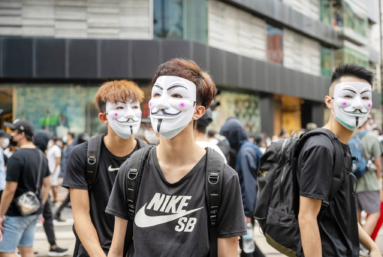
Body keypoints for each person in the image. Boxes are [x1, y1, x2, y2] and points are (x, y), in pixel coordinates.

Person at [107, 58, 246, 257]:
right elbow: (116, 250)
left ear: (198, 111)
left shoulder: (223, 178)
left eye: (176, 94)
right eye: (157, 94)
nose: (162, 103)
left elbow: (228, 253)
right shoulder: (131, 170)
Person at [297, 65, 381, 257]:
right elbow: (307, 217)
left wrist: (372, 247)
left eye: (365, 97)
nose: (358, 104)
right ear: (329, 102)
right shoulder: (321, 147)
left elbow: (345, 214)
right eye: (349, 96)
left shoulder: (339, 146)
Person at [63, 80, 145, 257]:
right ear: (104, 117)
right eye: (120, 108)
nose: (129, 114)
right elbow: (80, 214)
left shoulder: (150, 156)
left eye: (134, 107)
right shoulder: (82, 155)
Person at [0, 120, 51, 256]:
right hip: (33, 210)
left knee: (6, 252)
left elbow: (9, 190)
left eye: (13, 131)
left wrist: (0, 215)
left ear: (21, 134)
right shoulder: (41, 155)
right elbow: (47, 184)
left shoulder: (16, 157)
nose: (10, 135)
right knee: (27, 250)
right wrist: (41, 206)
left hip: (16, 212)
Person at [220, 118, 265, 257]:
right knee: (247, 244)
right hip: (250, 206)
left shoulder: (245, 152)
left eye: (227, 136)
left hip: (248, 209)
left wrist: (246, 212)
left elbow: (249, 183)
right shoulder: (247, 148)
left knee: (247, 246)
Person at [34, 130, 69, 256]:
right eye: (49, 140)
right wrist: (42, 203)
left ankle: (52, 245)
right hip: (38, 195)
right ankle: (25, 248)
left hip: (41, 194)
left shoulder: (41, 153)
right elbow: (46, 182)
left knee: (47, 218)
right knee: (31, 221)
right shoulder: (39, 154)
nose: (51, 142)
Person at [354, 121, 382, 237]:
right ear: (365, 122)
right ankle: (363, 243)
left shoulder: (348, 136)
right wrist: (377, 179)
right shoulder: (371, 137)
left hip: (352, 183)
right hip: (368, 182)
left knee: (356, 216)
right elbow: (378, 163)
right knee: (375, 212)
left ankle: (355, 245)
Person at [54, 132, 77, 221]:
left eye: (66, 135)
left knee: (70, 196)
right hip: (66, 173)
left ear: (70, 136)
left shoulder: (73, 146)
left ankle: (57, 213)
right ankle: (57, 213)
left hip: (70, 173)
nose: (65, 137)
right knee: (70, 195)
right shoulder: (66, 146)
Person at [47, 136, 61, 205]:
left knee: (53, 186)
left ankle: (55, 200)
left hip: (53, 171)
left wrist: (54, 170)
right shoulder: (51, 148)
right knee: (50, 185)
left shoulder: (56, 149)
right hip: (50, 170)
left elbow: (58, 160)